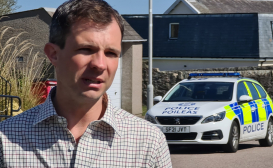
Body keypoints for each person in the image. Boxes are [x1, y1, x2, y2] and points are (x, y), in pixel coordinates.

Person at [0, 0, 172, 167]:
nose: (100, 64)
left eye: (111, 53)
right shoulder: (6, 139)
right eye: (86, 50)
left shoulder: (148, 142)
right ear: (53, 54)